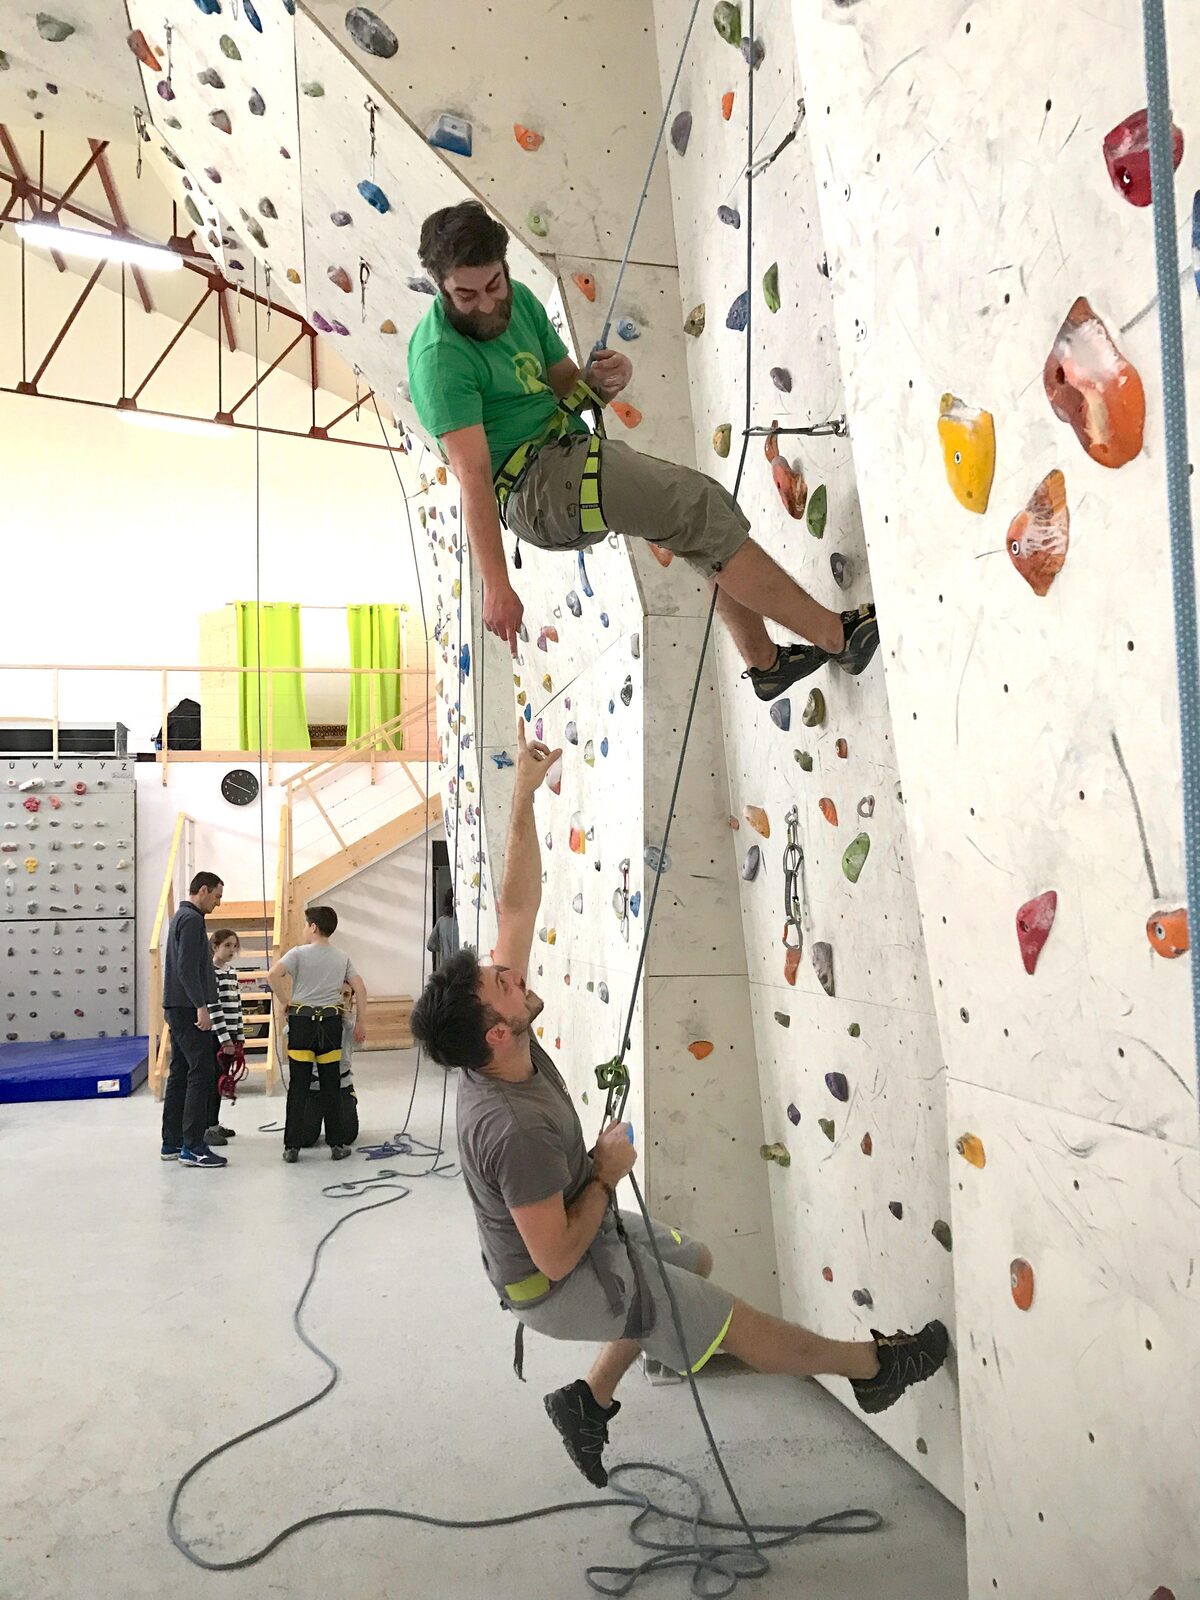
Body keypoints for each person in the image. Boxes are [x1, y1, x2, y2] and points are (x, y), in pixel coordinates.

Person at [411, 724, 949, 1489]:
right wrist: (603, 1171)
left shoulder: (493, 1042)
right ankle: (871, 1366)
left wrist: (524, 797)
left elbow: (515, 904)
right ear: (498, 1032)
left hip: (564, 1225)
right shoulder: (515, 1127)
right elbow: (557, 1256)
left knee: (690, 1257)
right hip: (553, 1285)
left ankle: (588, 1402)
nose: (512, 970)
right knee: (718, 1312)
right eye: (502, 981)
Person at [406, 200, 880, 696]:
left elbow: (570, 389)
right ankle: (837, 636)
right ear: (440, 288)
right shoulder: (440, 359)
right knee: (695, 507)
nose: (484, 304)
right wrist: (497, 586)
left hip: (564, 455)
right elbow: (474, 478)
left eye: (493, 285)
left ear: (504, 267)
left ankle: (767, 664)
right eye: (465, 295)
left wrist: (605, 380)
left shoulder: (519, 301)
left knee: (702, 515)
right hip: (533, 489)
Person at [267, 906, 367, 1163]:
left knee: (298, 1086)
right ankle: (336, 1145)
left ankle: (292, 1147)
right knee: (330, 1085)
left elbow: (272, 975)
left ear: (313, 927)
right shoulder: (342, 957)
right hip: (330, 1024)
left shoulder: (298, 954)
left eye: (304, 924)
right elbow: (360, 987)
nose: (303, 929)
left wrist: (285, 1001)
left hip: (302, 1023)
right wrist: (361, 1022)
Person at [160, 871, 227, 1170]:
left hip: (177, 1005)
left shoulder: (181, 917)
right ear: (203, 890)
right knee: (203, 1070)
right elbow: (187, 968)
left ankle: (171, 1141)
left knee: (181, 1070)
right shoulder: (191, 920)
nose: (218, 903)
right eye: (216, 896)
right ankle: (193, 1146)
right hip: (187, 1008)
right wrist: (201, 1006)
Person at [299, 981, 361, 1149]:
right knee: (304, 1139)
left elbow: (358, 1044)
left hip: (340, 1084)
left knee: (347, 1137)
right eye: (336, 994)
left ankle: (340, 1109)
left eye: (346, 995)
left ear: (351, 1000)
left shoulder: (353, 1022)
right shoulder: (311, 1018)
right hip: (314, 1086)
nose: (340, 999)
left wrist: (347, 1025)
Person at [206, 928, 246, 1147]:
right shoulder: (212, 973)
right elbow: (215, 1008)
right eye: (227, 946)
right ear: (215, 947)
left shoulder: (230, 972)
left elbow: (237, 1006)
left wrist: (239, 1036)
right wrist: (225, 1039)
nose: (231, 950)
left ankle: (214, 1123)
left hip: (231, 1037)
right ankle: (208, 1127)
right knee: (214, 1082)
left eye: (234, 946)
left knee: (222, 1082)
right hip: (219, 1038)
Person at [426, 890, 460, 971]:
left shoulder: (442, 921)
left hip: (445, 968)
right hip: (462, 969)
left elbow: (430, 945)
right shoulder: (465, 924)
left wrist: (444, 947)